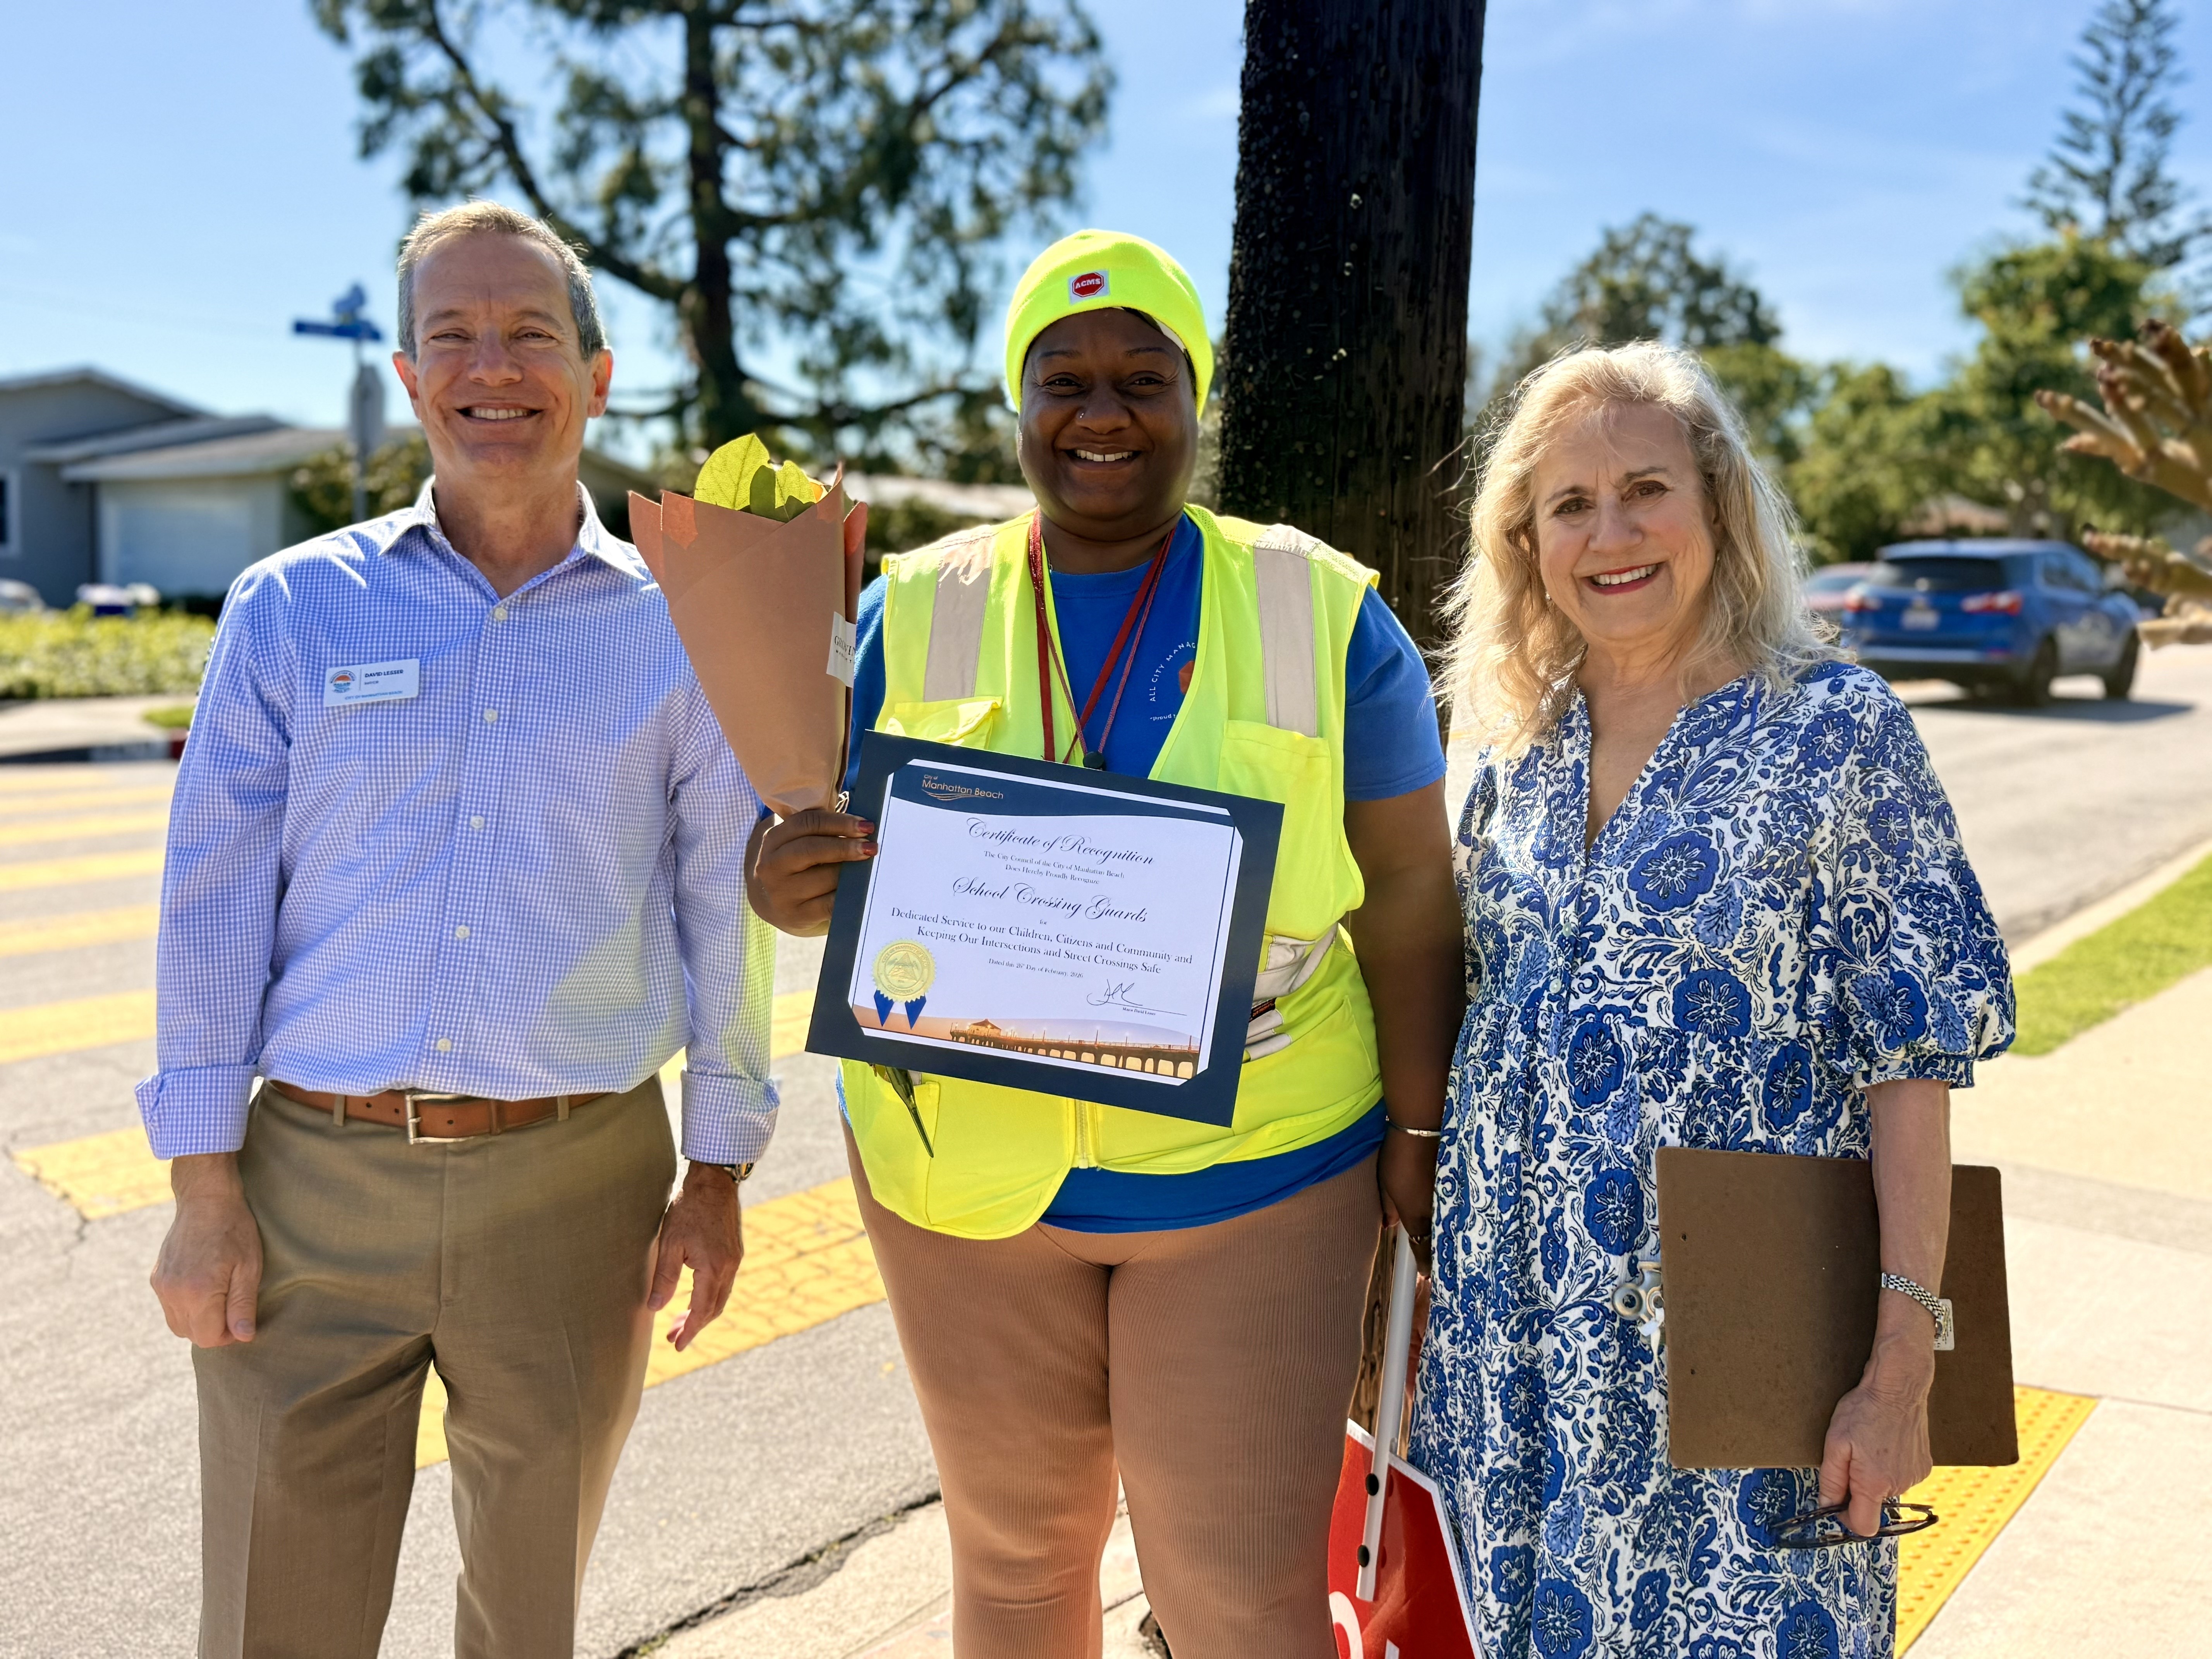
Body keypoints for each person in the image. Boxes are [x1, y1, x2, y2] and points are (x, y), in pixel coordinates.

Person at [748, 229, 1462, 1658]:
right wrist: (783, 881)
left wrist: (1419, 1127)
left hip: (1252, 1175)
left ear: (1198, 398)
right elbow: (809, 830)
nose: (1102, 410)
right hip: (965, 1183)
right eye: (1062, 378)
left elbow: (1407, 892)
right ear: (1017, 406)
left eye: (1145, 375)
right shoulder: (906, 607)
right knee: (1014, 1572)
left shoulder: (1323, 611)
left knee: (1237, 1597)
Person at [141, 201, 775, 1659]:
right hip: (306, 1190)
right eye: (455, 336)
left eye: (531, 332)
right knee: (271, 1621)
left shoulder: (683, 626)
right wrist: (202, 1187)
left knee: (526, 1620)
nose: (495, 365)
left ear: (598, 376)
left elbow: (721, 910)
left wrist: (722, 1168)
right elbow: (210, 906)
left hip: (579, 1188)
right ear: (415, 374)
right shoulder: (291, 608)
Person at [1410, 341, 2015, 1656]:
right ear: (1525, 538)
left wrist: (1904, 1363)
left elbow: (1913, 1063)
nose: (1611, 534)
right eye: (1570, 505)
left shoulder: (1838, 730)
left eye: (1646, 489)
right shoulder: (1514, 744)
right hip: (1511, 1365)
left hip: (1750, 1367)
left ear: (1719, 503)